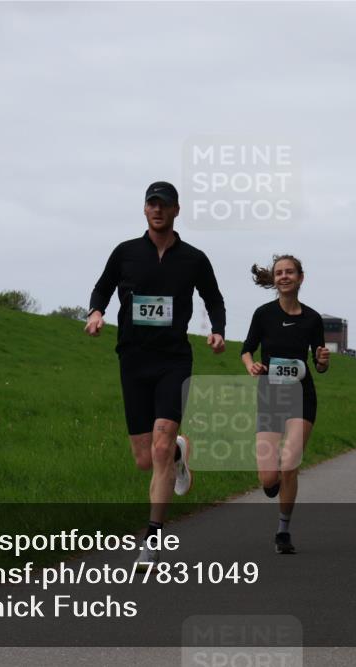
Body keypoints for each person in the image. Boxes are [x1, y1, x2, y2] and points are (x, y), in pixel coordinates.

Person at [86, 181, 226, 569]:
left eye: (164, 204)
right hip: (133, 359)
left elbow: (213, 297)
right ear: (145, 210)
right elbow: (102, 288)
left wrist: (218, 329)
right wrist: (96, 312)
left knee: (159, 447)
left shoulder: (194, 259)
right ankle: (181, 453)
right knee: (145, 459)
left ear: (177, 210)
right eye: (152, 204)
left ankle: (152, 539)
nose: (158, 210)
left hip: (173, 360)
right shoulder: (126, 252)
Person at [242, 255, 330, 555]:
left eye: (289, 272)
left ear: (300, 278)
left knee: (289, 464)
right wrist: (251, 365)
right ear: (274, 280)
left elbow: (319, 364)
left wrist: (321, 361)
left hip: (301, 395)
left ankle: (283, 530)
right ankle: (273, 486)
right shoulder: (263, 314)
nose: (283, 276)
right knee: (269, 478)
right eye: (279, 272)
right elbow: (246, 350)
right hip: (270, 395)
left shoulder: (312, 319)